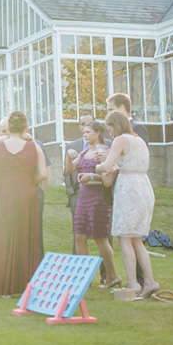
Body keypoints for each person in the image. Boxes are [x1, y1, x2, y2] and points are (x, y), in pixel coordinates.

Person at [0, 111, 46, 297]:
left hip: (4, 193)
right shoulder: (34, 146)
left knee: (2, 236)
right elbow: (43, 174)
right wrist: (29, 179)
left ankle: (1, 286)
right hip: (27, 193)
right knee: (25, 236)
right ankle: (24, 285)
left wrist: (4, 179)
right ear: (24, 127)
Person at [95, 111, 160, 299]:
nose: (110, 133)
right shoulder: (138, 139)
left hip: (129, 188)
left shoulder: (121, 139)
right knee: (136, 238)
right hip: (143, 185)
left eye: (110, 129)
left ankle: (133, 283)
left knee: (124, 237)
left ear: (116, 125)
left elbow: (107, 166)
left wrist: (98, 164)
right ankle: (149, 281)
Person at [65, 121, 120, 288]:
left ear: (98, 133)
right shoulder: (84, 153)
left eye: (88, 132)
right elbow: (69, 170)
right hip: (83, 198)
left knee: (100, 238)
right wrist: (68, 156)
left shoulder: (105, 152)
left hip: (99, 199)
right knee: (80, 236)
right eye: (84, 132)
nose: (85, 134)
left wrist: (92, 177)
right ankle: (84, 278)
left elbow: (108, 178)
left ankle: (112, 276)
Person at [63, 113, 95, 250]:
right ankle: (76, 268)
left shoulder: (106, 145)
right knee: (78, 235)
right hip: (78, 194)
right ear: (79, 126)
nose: (86, 127)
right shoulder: (72, 145)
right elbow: (67, 171)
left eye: (89, 124)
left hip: (99, 196)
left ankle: (107, 272)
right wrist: (71, 192)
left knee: (103, 237)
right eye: (83, 124)